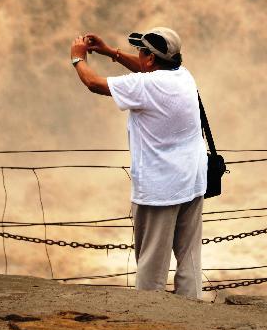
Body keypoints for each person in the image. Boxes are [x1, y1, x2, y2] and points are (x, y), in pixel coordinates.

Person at [69, 27, 207, 300]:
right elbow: (145, 70)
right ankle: (193, 316)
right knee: (189, 258)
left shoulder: (145, 86)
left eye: (140, 51)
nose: (138, 55)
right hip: (192, 180)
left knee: (151, 265)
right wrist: (110, 52)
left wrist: (78, 58)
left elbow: (94, 84)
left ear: (151, 59)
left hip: (160, 189)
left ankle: (153, 322)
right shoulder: (182, 75)